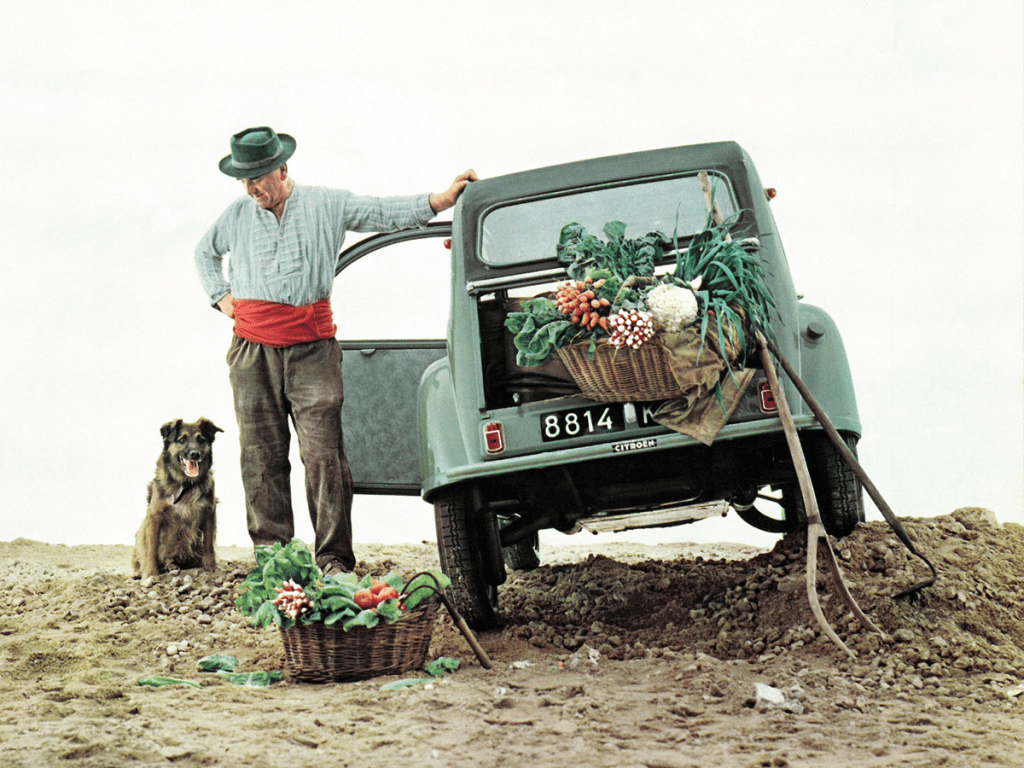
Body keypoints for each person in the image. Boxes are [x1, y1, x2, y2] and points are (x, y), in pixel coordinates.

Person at [195, 126, 476, 575]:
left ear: (282, 168)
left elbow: (381, 212)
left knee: (325, 455)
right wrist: (221, 297)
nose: (252, 187)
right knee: (260, 455)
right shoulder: (236, 215)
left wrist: (439, 201)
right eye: (244, 179)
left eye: (259, 176)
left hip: (313, 350)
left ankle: (334, 558)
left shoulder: (328, 203)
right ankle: (275, 560)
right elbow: (204, 254)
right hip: (252, 352)